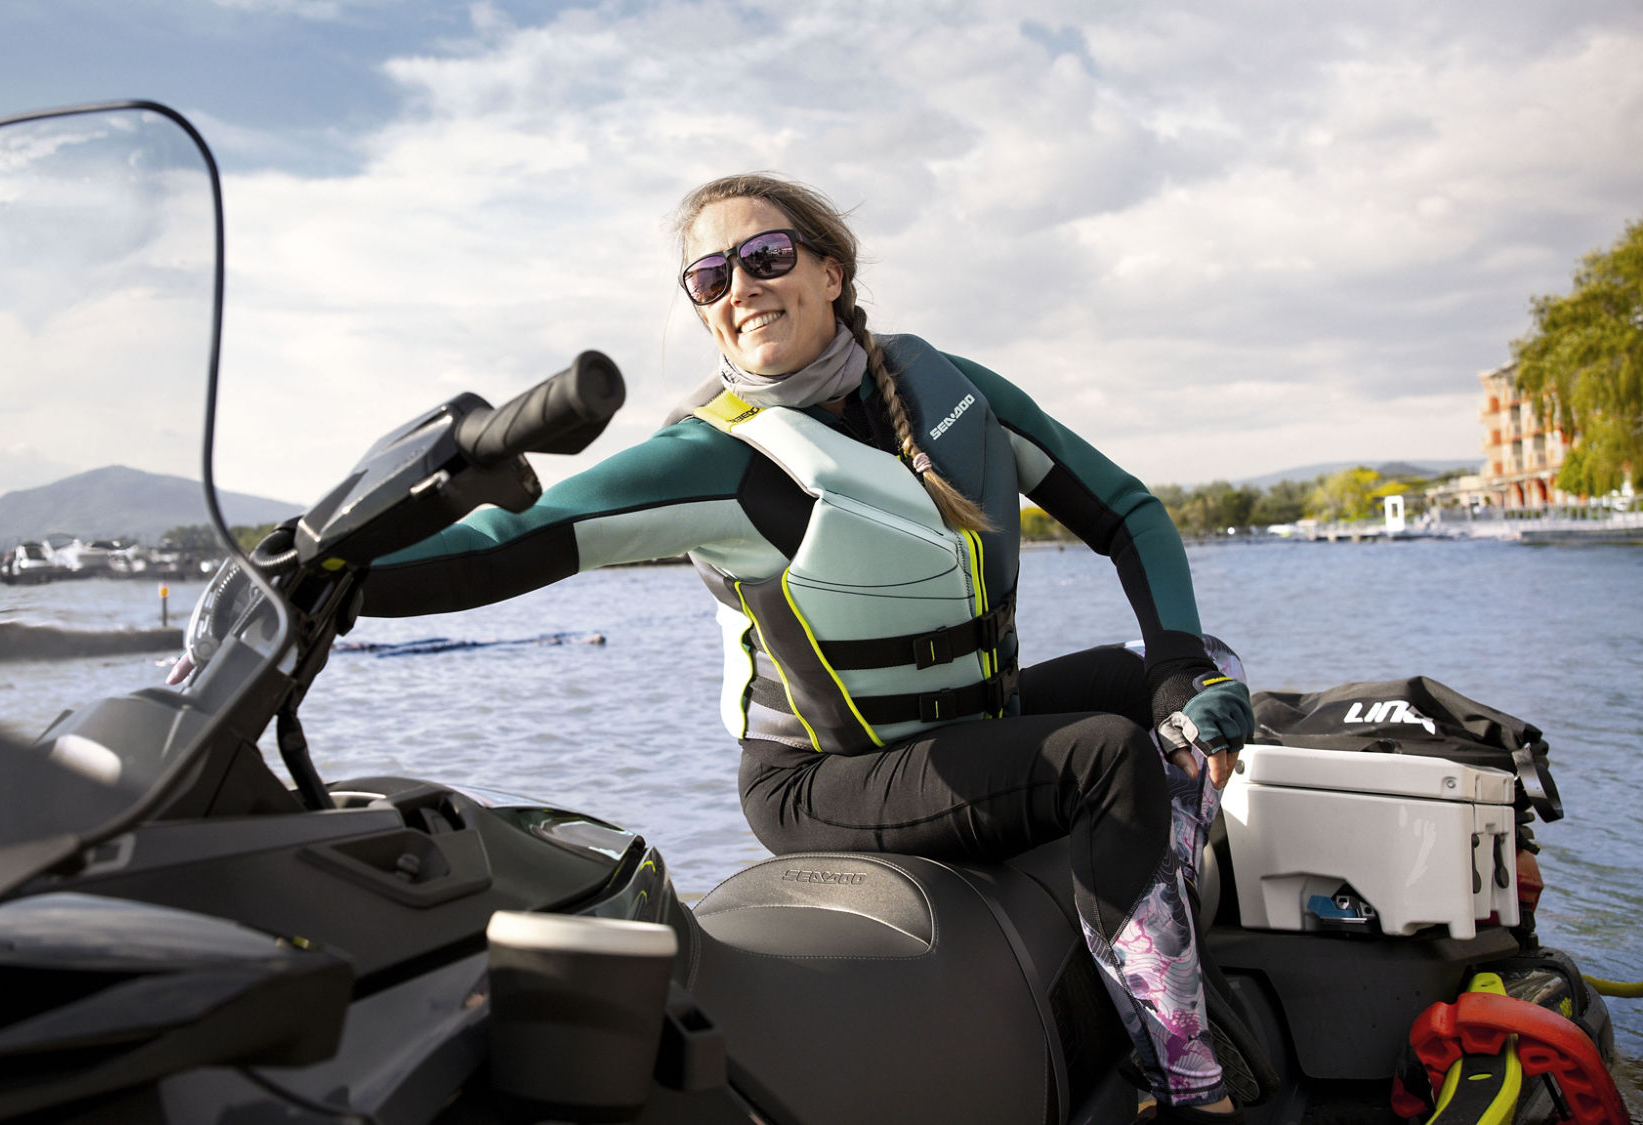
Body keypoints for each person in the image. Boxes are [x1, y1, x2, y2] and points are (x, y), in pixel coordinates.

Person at [362, 174, 1256, 1123]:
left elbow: (1128, 512)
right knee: (1107, 759)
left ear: (832, 272)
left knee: (1204, 667)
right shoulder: (718, 455)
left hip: (966, 728)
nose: (739, 285)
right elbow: (512, 538)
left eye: (767, 257)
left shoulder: (949, 390)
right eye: (709, 276)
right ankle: (1189, 1084)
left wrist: (1174, 670)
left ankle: (1143, 911)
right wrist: (335, 574)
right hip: (824, 778)